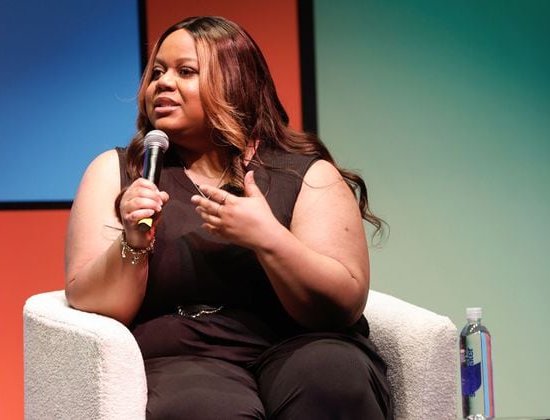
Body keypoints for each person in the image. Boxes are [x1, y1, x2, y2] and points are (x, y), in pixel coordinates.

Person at [65, 15, 393, 419]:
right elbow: (90, 301)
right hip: (182, 358)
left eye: (185, 72)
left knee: (334, 379)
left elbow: (342, 304)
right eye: (157, 73)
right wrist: (131, 241)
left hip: (298, 344)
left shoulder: (304, 172)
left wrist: (269, 239)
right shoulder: (120, 172)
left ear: (236, 82)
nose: (162, 84)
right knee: (205, 409)